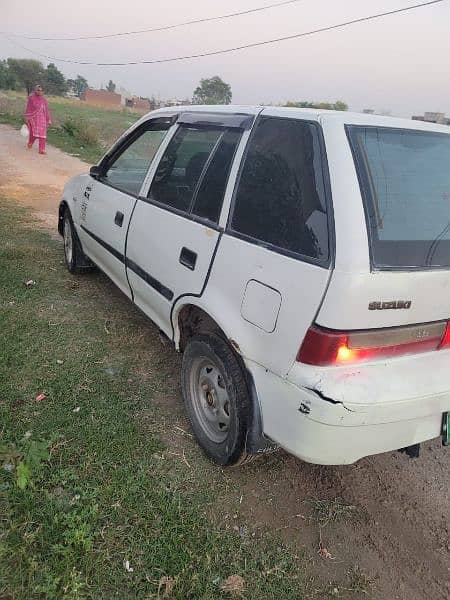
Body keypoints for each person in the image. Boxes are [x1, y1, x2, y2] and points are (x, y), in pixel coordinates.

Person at [24, 84, 52, 155]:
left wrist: (48, 119)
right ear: (35, 90)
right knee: (34, 134)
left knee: (43, 134)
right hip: (33, 118)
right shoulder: (31, 98)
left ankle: (41, 149)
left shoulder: (44, 100)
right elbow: (28, 108)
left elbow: (46, 110)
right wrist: (27, 117)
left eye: (41, 90)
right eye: (38, 90)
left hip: (42, 119)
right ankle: (30, 142)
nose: (40, 91)